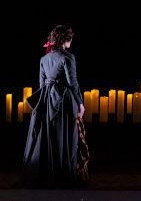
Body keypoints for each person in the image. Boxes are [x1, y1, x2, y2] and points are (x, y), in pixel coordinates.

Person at [18, 25, 90, 188]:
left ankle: (47, 174)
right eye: (70, 38)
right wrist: (80, 103)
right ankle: (63, 175)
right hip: (63, 101)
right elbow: (73, 83)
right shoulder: (68, 57)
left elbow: (41, 84)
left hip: (46, 100)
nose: (71, 41)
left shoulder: (44, 59)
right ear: (65, 39)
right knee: (64, 137)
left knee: (48, 137)